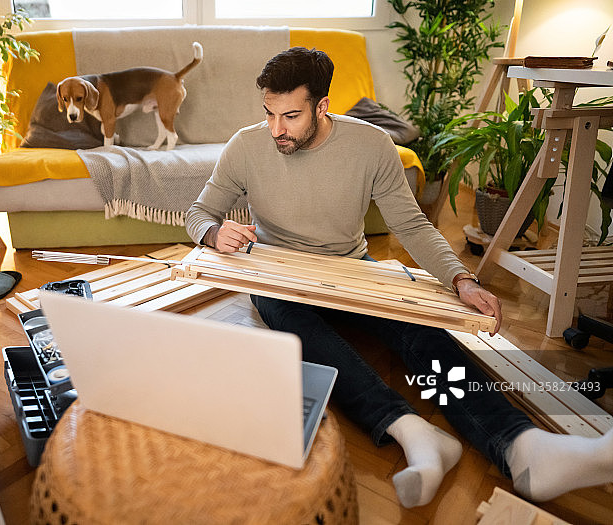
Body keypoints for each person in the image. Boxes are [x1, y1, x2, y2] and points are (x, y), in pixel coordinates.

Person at [185, 47, 613, 508]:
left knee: (419, 329)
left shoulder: (370, 145)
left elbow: (412, 226)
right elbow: (198, 213)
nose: (276, 129)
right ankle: (413, 432)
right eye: (269, 114)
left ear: (322, 106)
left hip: (352, 269)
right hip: (282, 275)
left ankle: (520, 446)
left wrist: (461, 279)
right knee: (290, 321)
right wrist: (213, 232)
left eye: (290, 116)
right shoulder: (246, 146)